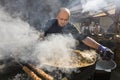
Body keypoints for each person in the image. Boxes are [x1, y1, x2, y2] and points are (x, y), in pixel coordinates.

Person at [42, 7, 114, 61]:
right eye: (61, 19)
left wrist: (101, 47)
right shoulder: (49, 23)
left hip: (63, 55)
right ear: (57, 17)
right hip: (48, 53)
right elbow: (40, 35)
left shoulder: (70, 26)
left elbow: (83, 38)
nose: (63, 22)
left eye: (66, 20)